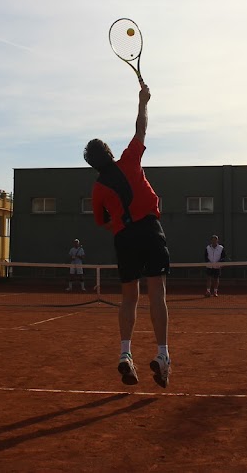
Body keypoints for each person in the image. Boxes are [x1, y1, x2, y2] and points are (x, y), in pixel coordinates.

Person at [84, 81, 171, 388]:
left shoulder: (98, 188)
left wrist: (121, 225)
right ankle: (162, 356)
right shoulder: (130, 159)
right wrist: (143, 100)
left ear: (92, 164)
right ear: (109, 153)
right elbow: (141, 128)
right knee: (157, 293)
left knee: (129, 298)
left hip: (124, 239)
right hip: (150, 230)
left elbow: (101, 221)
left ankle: (125, 354)